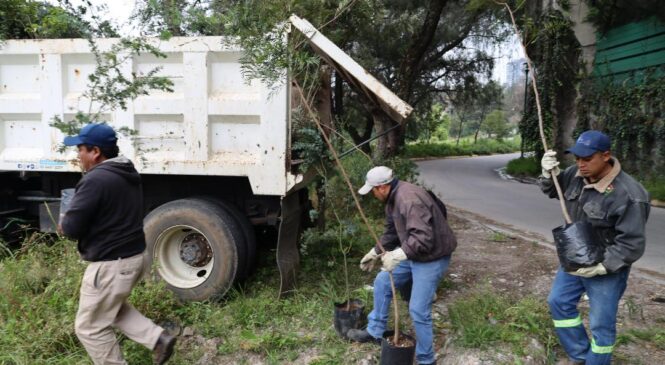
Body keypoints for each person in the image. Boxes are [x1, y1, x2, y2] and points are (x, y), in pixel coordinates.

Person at [58, 123, 176, 365]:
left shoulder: (96, 180)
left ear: (95, 152)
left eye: (80, 149)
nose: (77, 155)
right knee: (110, 309)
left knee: (89, 328)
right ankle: (157, 339)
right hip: (133, 258)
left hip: (110, 265)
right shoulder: (125, 172)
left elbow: (71, 228)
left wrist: (63, 221)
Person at [540, 130, 650, 365]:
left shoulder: (629, 195)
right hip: (574, 257)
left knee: (601, 324)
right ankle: (579, 356)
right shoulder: (576, 174)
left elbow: (632, 244)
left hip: (607, 267)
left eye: (587, 159)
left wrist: (601, 267)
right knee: (558, 302)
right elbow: (553, 190)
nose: (581, 165)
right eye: (577, 158)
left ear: (606, 156)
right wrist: (550, 174)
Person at [347, 166, 457, 365]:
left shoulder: (408, 199)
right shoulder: (392, 199)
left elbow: (424, 237)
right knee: (382, 282)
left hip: (432, 257)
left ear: (382, 187)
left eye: (372, 189)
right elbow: (392, 232)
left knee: (418, 310)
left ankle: (426, 359)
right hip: (415, 253)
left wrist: (399, 254)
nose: (372, 194)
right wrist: (375, 252)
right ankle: (375, 331)